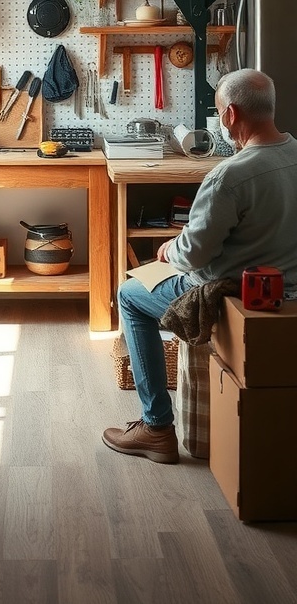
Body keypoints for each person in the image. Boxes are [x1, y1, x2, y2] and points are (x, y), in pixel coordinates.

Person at [102, 68, 297, 465]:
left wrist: (170, 247)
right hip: (288, 287)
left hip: (234, 293)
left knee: (129, 296)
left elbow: (193, 255)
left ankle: (155, 428)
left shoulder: (229, 176)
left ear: (229, 116)